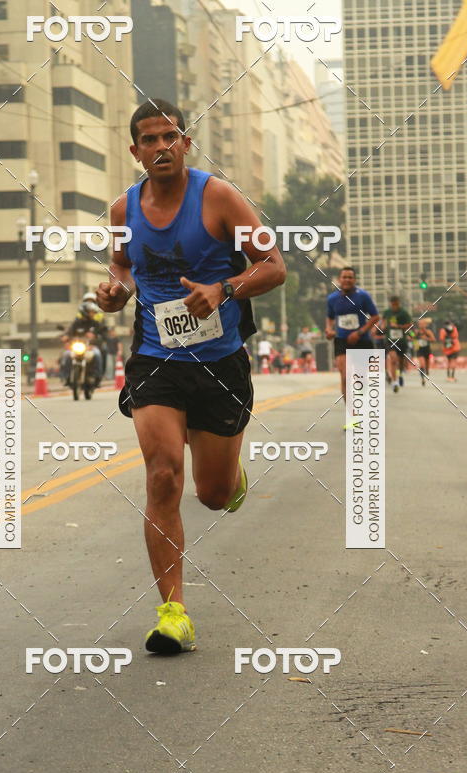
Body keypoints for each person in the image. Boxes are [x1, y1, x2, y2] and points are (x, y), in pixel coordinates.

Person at [96, 97, 286, 654]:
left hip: (221, 362)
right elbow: (125, 268)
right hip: (156, 358)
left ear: (186, 143)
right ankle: (172, 611)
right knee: (162, 476)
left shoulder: (218, 197)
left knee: (212, 493)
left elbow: (273, 266)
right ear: (135, 151)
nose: (161, 147)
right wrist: (114, 294)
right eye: (149, 140)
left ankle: (230, 476)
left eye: (170, 136)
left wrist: (223, 289)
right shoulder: (122, 210)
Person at [325, 266, 380, 401]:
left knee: (361, 378)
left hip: (362, 341)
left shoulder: (363, 296)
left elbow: (375, 317)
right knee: (345, 376)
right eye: (344, 277)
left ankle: (362, 406)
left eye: (350, 277)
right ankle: (352, 417)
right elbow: (330, 317)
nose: (347, 280)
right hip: (341, 340)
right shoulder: (332, 298)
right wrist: (329, 329)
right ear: (339, 279)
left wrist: (359, 332)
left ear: (354, 280)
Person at [380, 296, 411, 393]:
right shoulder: (387, 312)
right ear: (390, 303)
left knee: (401, 361)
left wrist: (398, 326)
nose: (394, 306)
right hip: (390, 340)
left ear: (398, 303)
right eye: (393, 304)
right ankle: (395, 381)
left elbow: (410, 325)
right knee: (393, 359)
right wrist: (383, 327)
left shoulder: (404, 313)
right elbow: (383, 323)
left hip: (401, 341)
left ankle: (400, 374)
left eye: (396, 304)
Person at [414, 318, 436, 385]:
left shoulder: (428, 331)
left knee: (427, 365)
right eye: (420, 324)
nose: (421, 325)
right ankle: (422, 379)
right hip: (419, 350)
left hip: (427, 349)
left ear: (425, 325)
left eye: (423, 324)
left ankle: (427, 371)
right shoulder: (416, 332)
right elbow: (412, 337)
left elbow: (433, 340)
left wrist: (426, 338)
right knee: (422, 365)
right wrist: (413, 338)